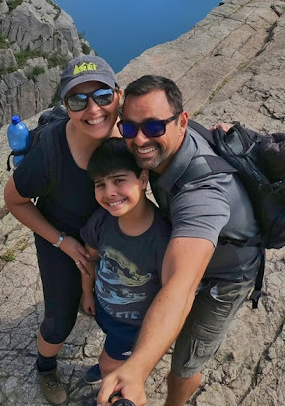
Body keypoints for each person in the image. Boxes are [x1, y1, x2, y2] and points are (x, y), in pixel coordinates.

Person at [98, 75, 262, 406]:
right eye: (129, 128)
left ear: (182, 121)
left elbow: (180, 285)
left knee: (184, 365)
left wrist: (137, 370)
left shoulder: (203, 193)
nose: (140, 138)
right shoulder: (166, 141)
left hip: (226, 278)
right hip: (192, 245)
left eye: (153, 127)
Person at [3, 54, 123, 405]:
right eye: (77, 100)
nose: (93, 109)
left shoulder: (132, 135)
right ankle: (45, 368)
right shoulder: (50, 153)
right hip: (62, 238)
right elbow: (15, 201)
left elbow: (174, 134)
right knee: (60, 320)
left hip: (112, 238)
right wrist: (62, 242)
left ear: (119, 95)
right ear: (65, 107)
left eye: (102, 96)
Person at [79, 138, 172, 392]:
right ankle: (111, 361)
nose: (109, 192)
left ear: (143, 179)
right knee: (112, 352)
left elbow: (171, 294)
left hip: (134, 326)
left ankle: (109, 373)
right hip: (105, 308)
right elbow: (91, 259)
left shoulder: (162, 238)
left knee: (111, 365)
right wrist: (88, 294)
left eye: (119, 180)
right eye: (101, 184)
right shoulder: (101, 221)